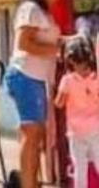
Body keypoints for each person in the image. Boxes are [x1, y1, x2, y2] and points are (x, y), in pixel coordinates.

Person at [5, 0, 64, 188]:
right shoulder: (30, 9)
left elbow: (47, 40)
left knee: (34, 134)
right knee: (32, 133)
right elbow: (24, 43)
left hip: (36, 78)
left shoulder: (42, 13)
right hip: (25, 75)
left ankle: (29, 179)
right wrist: (55, 51)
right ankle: (28, 184)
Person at [55, 36, 99, 188]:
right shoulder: (96, 79)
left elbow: (59, 103)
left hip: (75, 132)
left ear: (70, 61)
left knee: (80, 169)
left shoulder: (67, 80)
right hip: (95, 130)